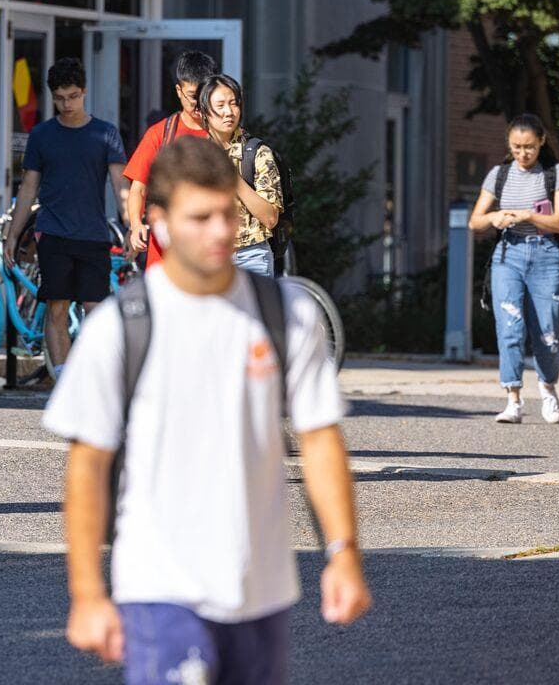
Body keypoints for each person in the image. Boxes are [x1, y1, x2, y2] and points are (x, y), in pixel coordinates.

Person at [46, 136, 372, 684]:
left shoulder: (287, 314)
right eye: (200, 217)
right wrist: (87, 593)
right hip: (160, 587)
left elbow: (319, 439)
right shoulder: (120, 328)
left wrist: (343, 552)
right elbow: (88, 464)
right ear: (160, 221)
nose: (220, 231)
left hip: (261, 588)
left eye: (228, 213)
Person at [6, 57, 129, 375]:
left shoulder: (105, 133)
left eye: (72, 96)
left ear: (84, 92)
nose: (66, 103)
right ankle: (63, 380)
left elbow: (121, 186)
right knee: (57, 307)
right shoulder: (42, 134)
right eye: (59, 98)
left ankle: (91, 377)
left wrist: (132, 225)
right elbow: (28, 188)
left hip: (92, 234)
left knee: (95, 310)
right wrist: (13, 235)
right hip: (53, 233)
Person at [468, 113, 559, 424]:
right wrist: (494, 218)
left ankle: (548, 387)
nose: (523, 154)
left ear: (541, 142)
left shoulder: (555, 174)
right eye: (516, 147)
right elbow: (475, 220)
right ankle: (513, 399)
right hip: (508, 256)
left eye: (528, 147)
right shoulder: (498, 175)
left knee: (548, 333)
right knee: (509, 329)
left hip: (545, 255)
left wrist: (527, 215)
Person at [122, 50, 219, 271]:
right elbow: (138, 188)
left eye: (205, 94)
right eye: (193, 95)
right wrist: (136, 224)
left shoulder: (223, 135)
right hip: (164, 251)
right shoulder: (160, 134)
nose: (199, 103)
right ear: (179, 91)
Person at [197, 73, 284, 277]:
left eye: (234, 104)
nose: (229, 112)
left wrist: (233, 177)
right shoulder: (195, 156)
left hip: (252, 257)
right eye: (220, 105)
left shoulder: (257, 153)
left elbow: (271, 218)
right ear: (204, 111)